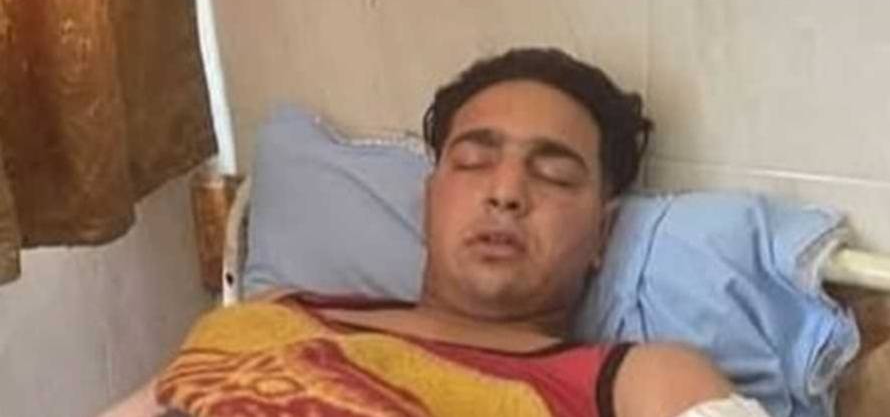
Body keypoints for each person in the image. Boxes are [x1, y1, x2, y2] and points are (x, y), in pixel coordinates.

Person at [101, 47, 771, 417]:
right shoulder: (273, 315)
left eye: (554, 175)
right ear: (429, 200)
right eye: (474, 161)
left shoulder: (641, 382)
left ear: (603, 233)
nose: (506, 192)